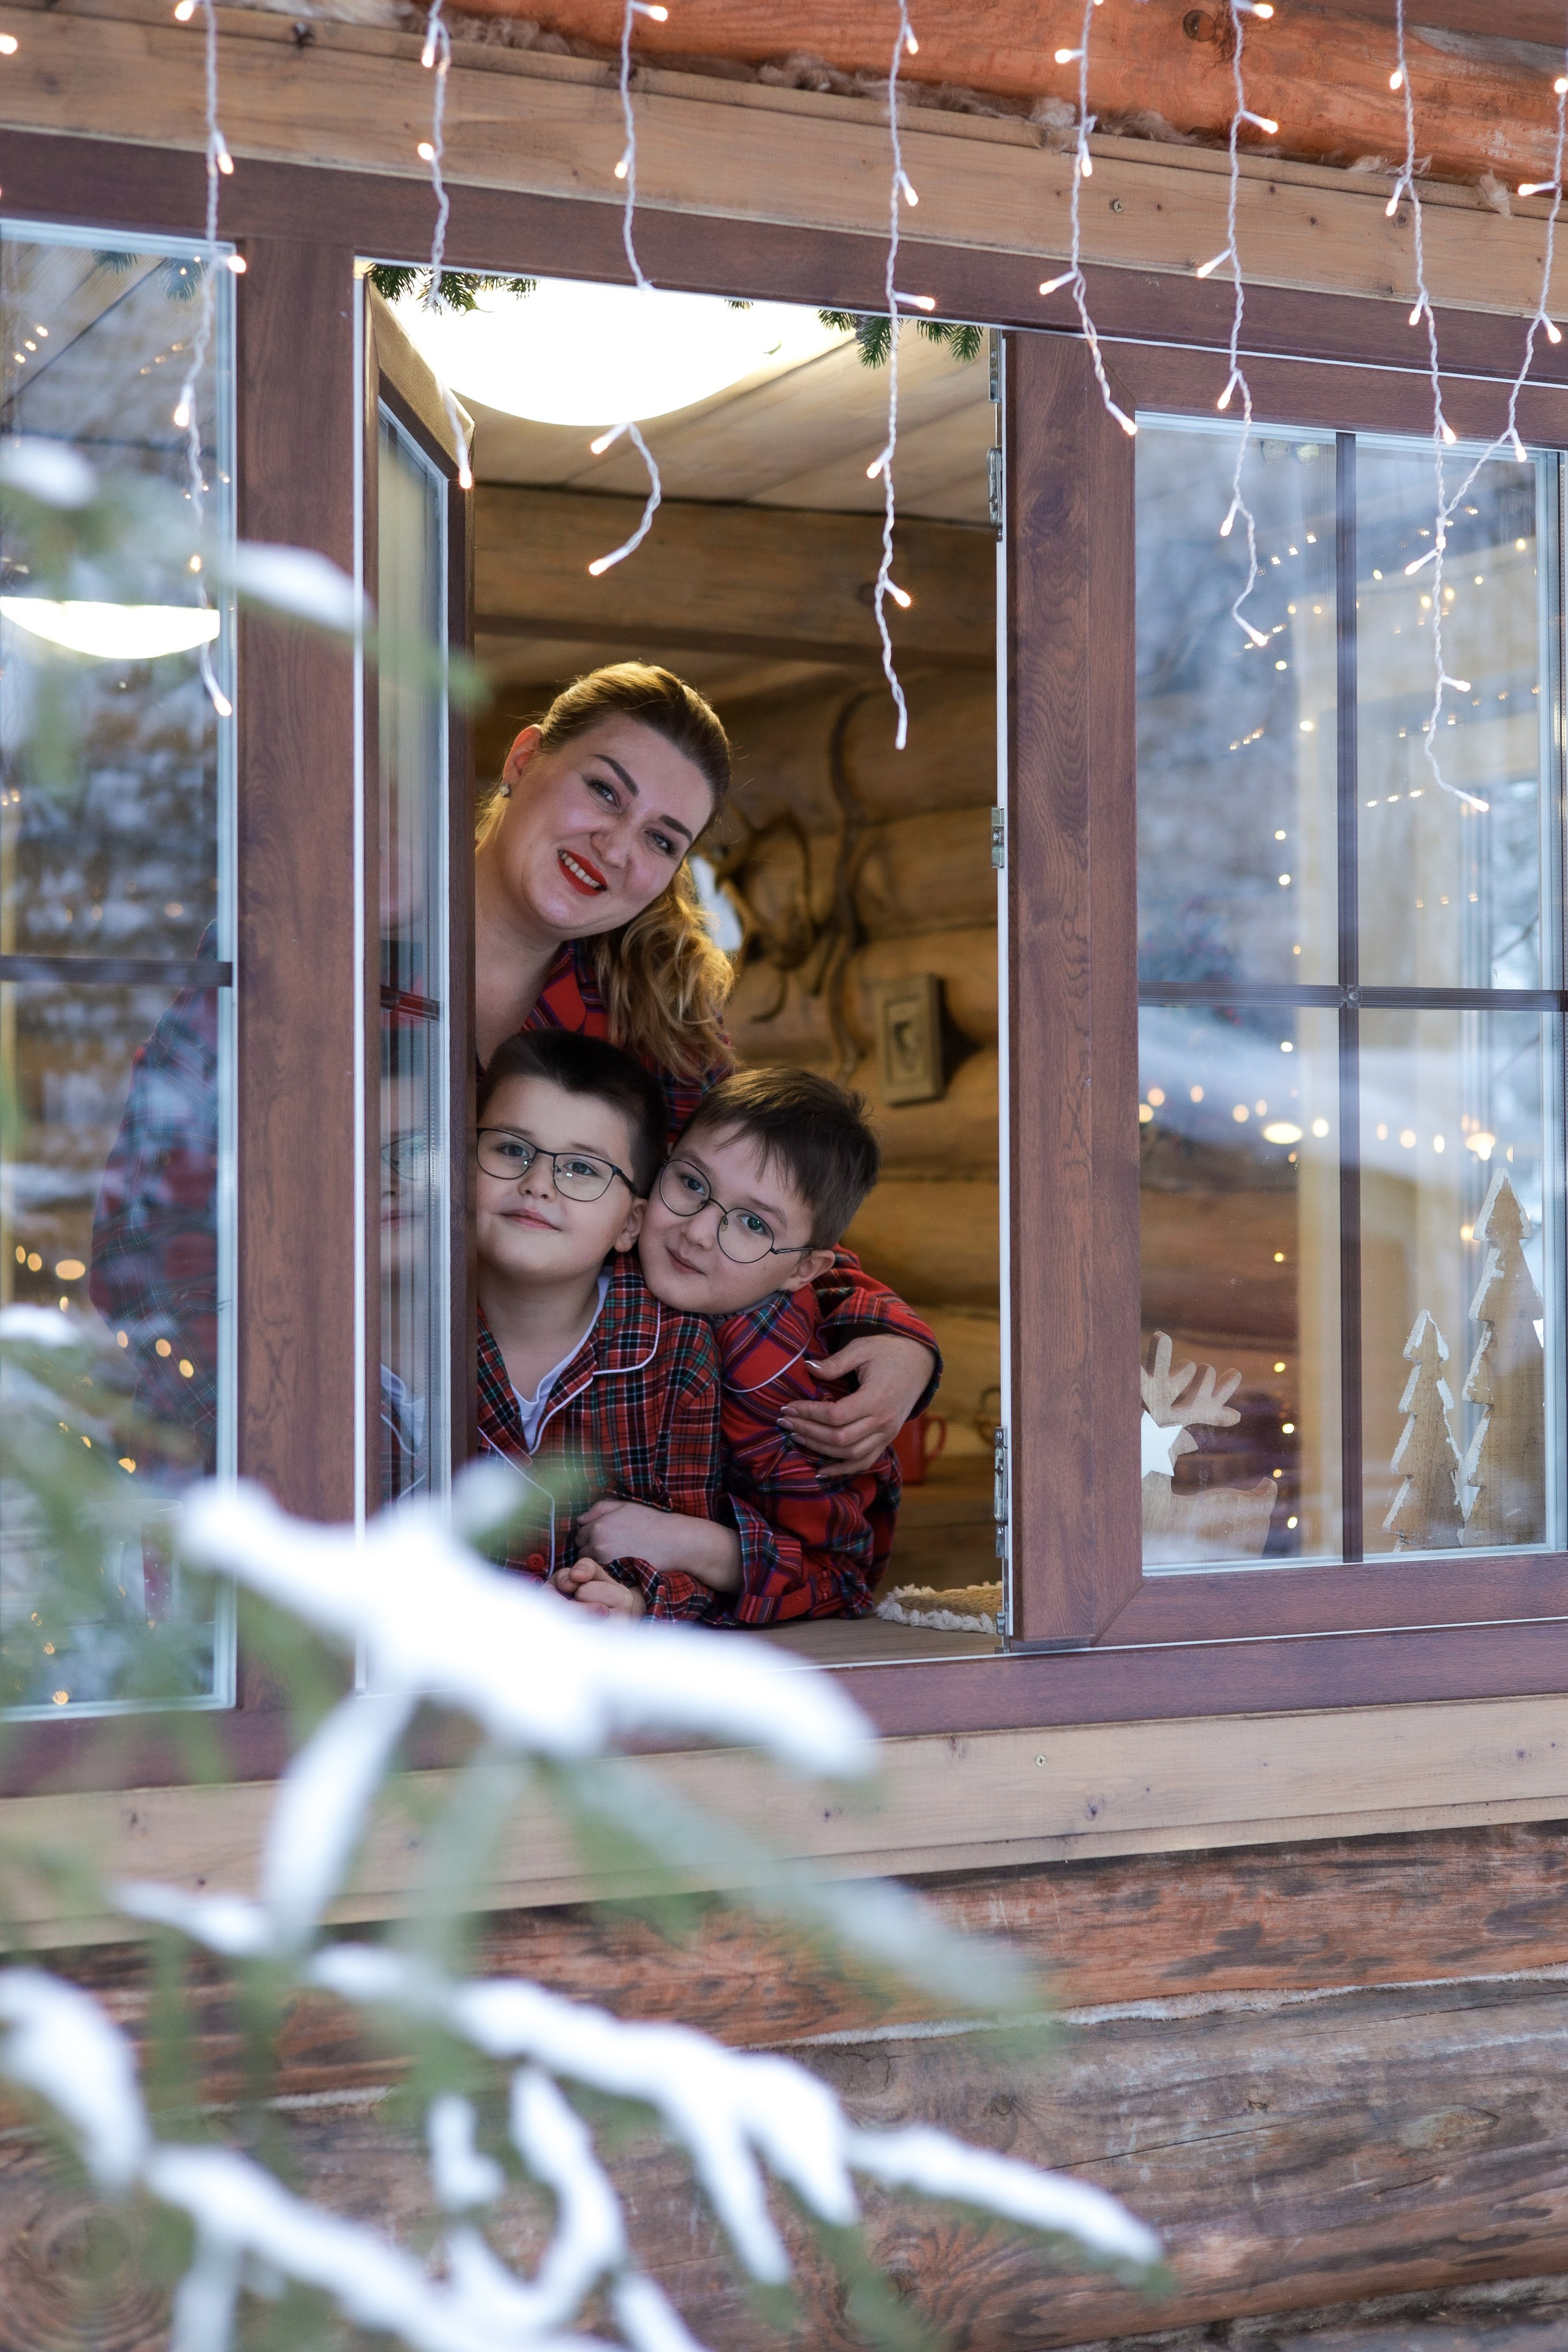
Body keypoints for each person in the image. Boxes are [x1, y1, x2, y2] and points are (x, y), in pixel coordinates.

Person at [478, 663, 940, 1477]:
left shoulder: (656, 1015)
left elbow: (744, 1197)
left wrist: (888, 1329)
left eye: (662, 839)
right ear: (524, 759)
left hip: (572, 1454)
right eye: (604, 791)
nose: (617, 847)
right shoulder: (353, 931)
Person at [578, 1066, 902, 1624]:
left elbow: (844, 1579)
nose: (698, 1232)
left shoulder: (783, 1387)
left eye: (753, 1224)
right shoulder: (602, 1250)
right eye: (692, 1184)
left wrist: (699, 1546)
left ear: (803, 1270)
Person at [472, 1027, 726, 1619]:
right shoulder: (404, 1326)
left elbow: (693, 1556)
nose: (538, 1184)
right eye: (511, 1149)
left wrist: (635, 1601)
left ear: (631, 1224)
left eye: (582, 1169)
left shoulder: (674, 1353)